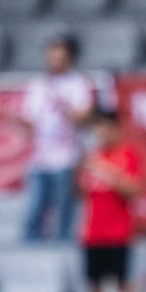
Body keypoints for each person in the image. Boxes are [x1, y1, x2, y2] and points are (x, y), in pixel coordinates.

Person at [19, 36, 94, 241]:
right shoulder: (37, 85)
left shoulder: (78, 83)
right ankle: (30, 254)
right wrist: (12, 119)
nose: (55, 61)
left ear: (69, 59)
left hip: (66, 157)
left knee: (64, 212)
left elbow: (85, 117)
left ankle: (63, 251)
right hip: (40, 158)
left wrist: (65, 107)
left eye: (59, 57)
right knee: (34, 210)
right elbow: (29, 121)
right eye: (51, 57)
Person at [78, 110, 142, 292]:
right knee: (93, 290)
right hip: (92, 234)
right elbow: (79, 191)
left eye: (105, 127)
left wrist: (105, 171)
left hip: (118, 233)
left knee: (122, 289)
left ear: (116, 129)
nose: (101, 132)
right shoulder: (92, 157)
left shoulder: (128, 155)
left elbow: (133, 190)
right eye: (97, 128)